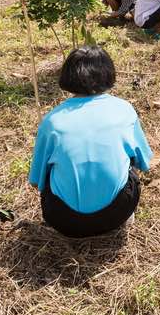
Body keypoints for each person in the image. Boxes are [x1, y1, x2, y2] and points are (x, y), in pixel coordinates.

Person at [29, 46, 152, 238]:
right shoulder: (124, 110)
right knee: (129, 161)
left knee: (50, 166)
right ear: (109, 73)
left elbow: (37, 181)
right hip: (117, 215)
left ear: (68, 76)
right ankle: (122, 216)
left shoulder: (52, 121)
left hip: (64, 221)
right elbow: (143, 163)